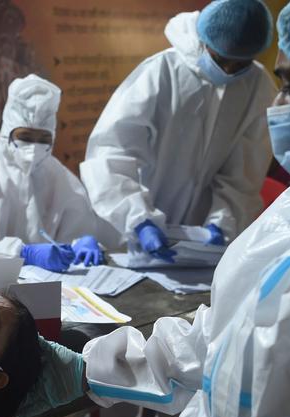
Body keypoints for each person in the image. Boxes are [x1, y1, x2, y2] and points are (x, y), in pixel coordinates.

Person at [23, 0, 290, 417]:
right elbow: (227, 334)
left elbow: (240, 176)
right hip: (135, 232)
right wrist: (96, 368)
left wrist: (220, 223)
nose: (275, 103)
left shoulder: (257, 97)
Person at [80, 0, 276, 262]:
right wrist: (138, 219)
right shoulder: (162, 71)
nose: (228, 71)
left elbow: (244, 172)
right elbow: (111, 152)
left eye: (239, 64)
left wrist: (222, 222)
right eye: (221, 59)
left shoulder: (257, 86)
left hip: (198, 243)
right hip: (131, 231)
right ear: (205, 42)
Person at [0, 74, 113, 276]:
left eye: (43, 138)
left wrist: (81, 245)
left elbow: (78, 236)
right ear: (7, 131)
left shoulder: (62, 178)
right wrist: (22, 254)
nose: (33, 148)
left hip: (54, 291)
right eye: (24, 136)